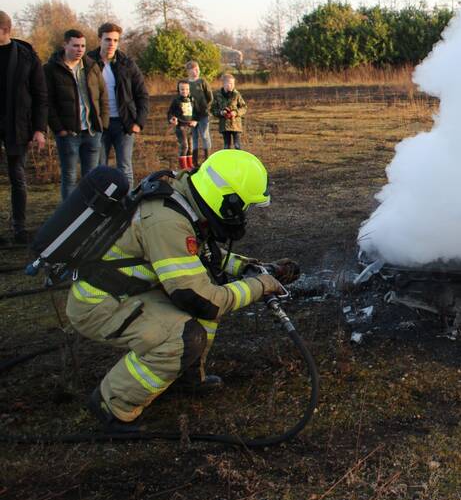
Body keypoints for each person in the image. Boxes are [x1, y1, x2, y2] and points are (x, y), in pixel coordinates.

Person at [66, 150, 300, 431]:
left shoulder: (185, 196)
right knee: (182, 336)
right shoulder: (167, 221)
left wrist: (249, 267)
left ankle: (186, 378)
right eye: (244, 208)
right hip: (100, 303)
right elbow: (204, 300)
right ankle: (113, 405)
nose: (244, 217)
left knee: (199, 315)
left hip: (131, 291)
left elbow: (199, 254)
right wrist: (260, 285)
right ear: (227, 202)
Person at [44, 29, 109, 200]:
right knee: (70, 178)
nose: (80, 49)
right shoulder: (51, 69)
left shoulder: (91, 66)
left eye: (83, 46)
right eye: (75, 45)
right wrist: (59, 129)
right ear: (65, 45)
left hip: (92, 132)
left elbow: (103, 96)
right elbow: (47, 102)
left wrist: (103, 123)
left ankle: (89, 215)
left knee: (91, 178)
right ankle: (69, 218)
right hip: (68, 134)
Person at [0, 10, 47, 243]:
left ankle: (19, 228)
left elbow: (40, 95)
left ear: (5, 30)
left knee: (17, 177)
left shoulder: (27, 56)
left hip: (17, 127)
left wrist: (39, 129)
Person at [88, 22, 148, 185]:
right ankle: (101, 207)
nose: (111, 44)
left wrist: (139, 122)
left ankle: (128, 206)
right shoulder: (88, 62)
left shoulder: (127, 63)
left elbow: (142, 94)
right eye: (108, 40)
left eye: (115, 40)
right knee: (99, 169)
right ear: (100, 39)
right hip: (99, 124)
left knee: (125, 168)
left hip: (124, 124)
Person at [185, 61, 213, 164]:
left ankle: (207, 159)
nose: (197, 71)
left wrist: (205, 109)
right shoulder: (186, 83)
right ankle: (195, 162)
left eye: (198, 69)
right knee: (194, 137)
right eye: (194, 70)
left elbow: (210, 97)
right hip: (191, 116)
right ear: (188, 71)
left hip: (203, 114)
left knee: (205, 135)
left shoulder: (202, 82)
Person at [210, 72, 246, 149]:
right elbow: (213, 109)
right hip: (224, 125)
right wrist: (221, 112)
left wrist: (235, 113)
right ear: (223, 84)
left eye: (233, 83)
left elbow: (244, 107)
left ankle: (239, 160)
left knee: (237, 145)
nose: (232, 85)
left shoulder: (237, 94)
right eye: (229, 83)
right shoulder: (217, 95)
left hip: (236, 125)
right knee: (226, 146)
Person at [167, 80, 198, 170]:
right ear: (179, 90)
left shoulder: (192, 100)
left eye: (187, 89)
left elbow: (196, 112)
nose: (185, 91)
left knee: (191, 147)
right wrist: (172, 119)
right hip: (181, 126)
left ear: (189, 89)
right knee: (184, 146)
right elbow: (170, 113)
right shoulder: (176, 101)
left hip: (190, 127)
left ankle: (190, 165)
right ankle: (183, 167)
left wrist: (195, 120)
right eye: (182, 89)